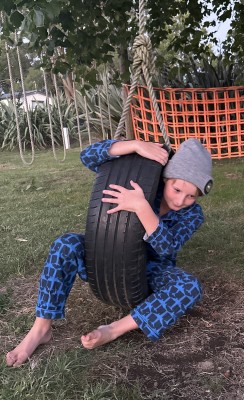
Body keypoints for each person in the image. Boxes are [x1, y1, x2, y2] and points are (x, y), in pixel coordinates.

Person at [6, 138, 213, 367]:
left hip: (150, 271)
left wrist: (141, 207)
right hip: (107, 257)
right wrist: (134, 145)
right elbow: (88, 156)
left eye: (191, 196)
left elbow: (166, 247)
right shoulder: (145, 184)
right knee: (65, 244)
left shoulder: (193, 215)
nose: (180, 200)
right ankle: (41, 329)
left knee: (188, 287)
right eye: (177, 189)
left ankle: (113, 330)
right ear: (166, 178)